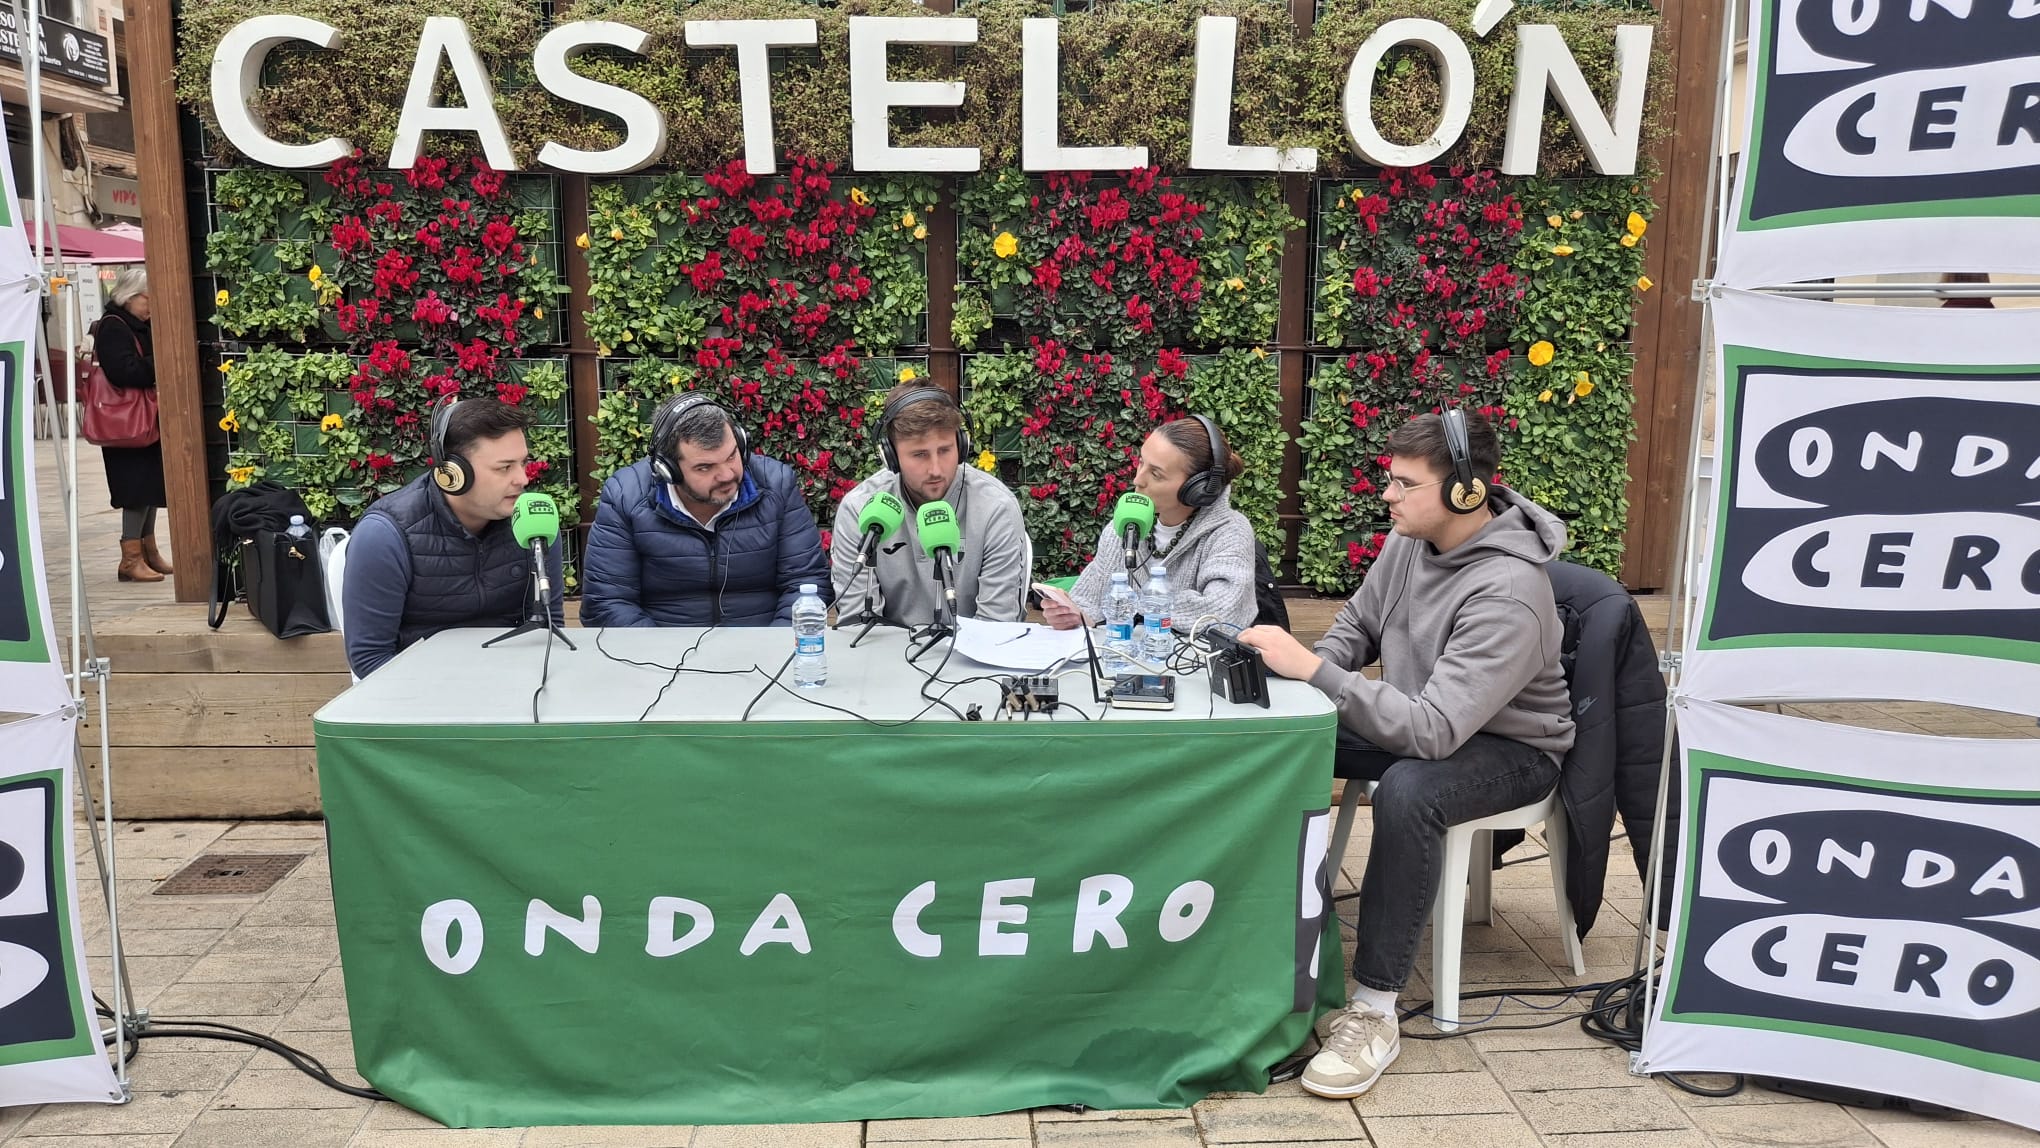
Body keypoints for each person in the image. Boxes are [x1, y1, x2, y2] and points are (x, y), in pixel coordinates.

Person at [1237, 408, 1576, 1100]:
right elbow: (1356, 629)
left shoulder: (1510, 591)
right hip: (1424, 715)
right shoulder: (1410, 541)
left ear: (1466, 492)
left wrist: (1314, 675)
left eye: (1403, 483)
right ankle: (1256, 934)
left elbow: (1431, 733)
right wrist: (1305, 679)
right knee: (1272, 731)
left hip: (1512, 749)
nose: (1386, 495)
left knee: (1411, 791)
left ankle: (1374, 1009)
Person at [342, 398, 562, 678]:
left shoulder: (534, 522)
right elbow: (370, 657)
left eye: (523, 463)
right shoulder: (384, 536)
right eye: (504, 467)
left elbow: (550, 629)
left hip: (515, 686)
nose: (523, 479)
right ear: (453, 474)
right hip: (419, 695)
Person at [581, 391, 829, 627]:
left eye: (732, 456)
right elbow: (607, 602)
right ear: (669, 470)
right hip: (661, 657)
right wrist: (664, 660)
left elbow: (805, 583)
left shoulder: (777, 485)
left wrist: (771, 648)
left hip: (764, 653)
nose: (727, 475)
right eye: (704, 468)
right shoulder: (625, 496)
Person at [829, 384, 1030, 625]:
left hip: (972, 656)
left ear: (962, 445)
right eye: (919, 455)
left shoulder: (996, 508)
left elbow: (997, 627)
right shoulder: (859, 510)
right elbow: (857, 623)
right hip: (885, 656)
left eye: (945, 450)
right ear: (890, 456)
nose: (935, 469)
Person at [1043, 415, 1258, 635]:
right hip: (1122, 661)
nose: (1138, 480)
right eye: (1141, 463)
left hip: (1193, 665)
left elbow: (1222, 613)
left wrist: (1129, 604)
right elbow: (1088, 603)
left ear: (1198, 488)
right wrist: (1073, 616)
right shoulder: (1123, 526)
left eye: (1156, 473)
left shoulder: (1231, 532)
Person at [95, 268, 170, 583]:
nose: (151, 305)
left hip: (142, 420)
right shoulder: (113, 327)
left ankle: (148, 552)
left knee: (150, 486)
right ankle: (130, 560)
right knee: (135, 489)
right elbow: (123, 371)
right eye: (148, 299)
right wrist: (159, 363)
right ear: (130, 296)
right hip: (125, 424)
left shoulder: (137, 324)